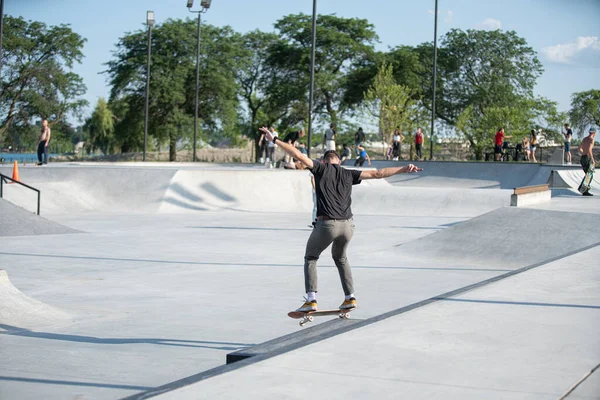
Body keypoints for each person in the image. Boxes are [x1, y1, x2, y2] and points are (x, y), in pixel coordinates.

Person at [258, 126, 422, 312]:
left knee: (311, 257)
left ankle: (311, 299)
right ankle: (350, 297)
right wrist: (403, 169)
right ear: (338, 161)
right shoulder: (348, 173)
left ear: (324, 160)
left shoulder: (320, 168)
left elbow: (299, 155)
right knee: (341, 257)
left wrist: (275, 140)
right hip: (348, 226)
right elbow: (378, 174)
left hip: (327, 225)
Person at [577, 127, 596, 196]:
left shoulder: (585, 139)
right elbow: (589, 150)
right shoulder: (591, 140)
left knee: (587, 174)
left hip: (582, 158)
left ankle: (582, 188)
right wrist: (593, 159)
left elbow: (579, 148)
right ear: (594, 133)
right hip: (587, 158)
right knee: (589, 175)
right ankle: (584, 190)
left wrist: (583, 153)